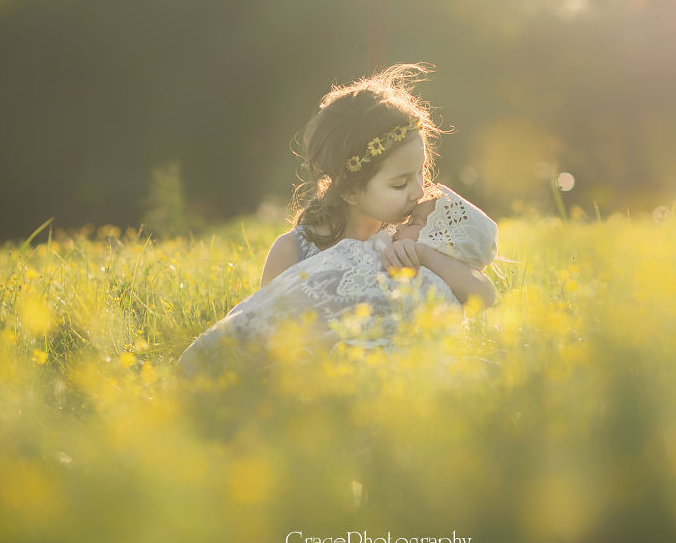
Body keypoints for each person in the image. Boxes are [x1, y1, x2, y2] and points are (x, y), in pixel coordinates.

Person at [178, 64, 498, 375]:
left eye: (421, 172)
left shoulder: (411, 234)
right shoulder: (293, 250)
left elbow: (483, 295)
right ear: (350, 191)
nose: (419, 191)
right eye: (400, 183)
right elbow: (266, 329)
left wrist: (423, 255)